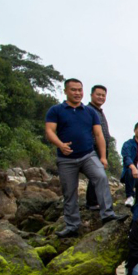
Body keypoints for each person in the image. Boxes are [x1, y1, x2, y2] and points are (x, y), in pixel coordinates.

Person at [44, 78, 122, 237]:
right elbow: (50, 131)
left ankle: (107, 214)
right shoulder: (56, 110)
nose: (77, 93)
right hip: (66, 159)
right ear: (65, 91)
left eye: (80, 90)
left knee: (101, 176)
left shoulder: (90, 111)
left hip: (88, 154)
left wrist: (103, 157)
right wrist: (60, 145)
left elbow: (99, 135)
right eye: (73, 90)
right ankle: (72, 225)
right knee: (69, 191)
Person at [84, 84, 112, 211]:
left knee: (98, 174)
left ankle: (95, 201)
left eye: (103, 95)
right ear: (91, 95)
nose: (101, 97)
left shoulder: (100, 111)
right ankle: (92, 202)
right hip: (92, 147)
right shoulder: (88, 110)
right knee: (96, 175)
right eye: (98, 94)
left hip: (101, 148)